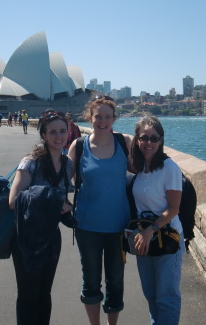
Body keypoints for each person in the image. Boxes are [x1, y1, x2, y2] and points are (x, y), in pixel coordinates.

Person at [68, 96, 132, 325]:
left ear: (114, 118)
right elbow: (62, 178)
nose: (102, 121)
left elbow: (143, 172)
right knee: (91, 281)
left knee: (116, 280)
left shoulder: (124, 142)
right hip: (87, 226)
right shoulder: (78, 146)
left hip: (118, 226)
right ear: (90, 118)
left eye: (107, 116)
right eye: (98, 116)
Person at [8, 111, 73, 325]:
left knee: (45, 294)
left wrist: (67, 208)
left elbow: (62, 201)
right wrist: (54, 200)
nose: (58, 136)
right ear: (43, 134)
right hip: (27, 239)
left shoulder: (68, 165)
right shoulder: (30, 162)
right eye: (52, 132)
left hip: (52, 238)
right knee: (28, 296)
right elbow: (14, 199)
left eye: (62, 131)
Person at [130, 114, 184, 325]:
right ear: (137, 139)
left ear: (161, 140)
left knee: (167, 298)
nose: (149, 143)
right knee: (151, 295)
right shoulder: (140, 168)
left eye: (154, 138)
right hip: (144, 241)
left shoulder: (169, 168)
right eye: (144, 138)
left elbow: (173, 209)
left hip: (167, 241)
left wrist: (150, 230)